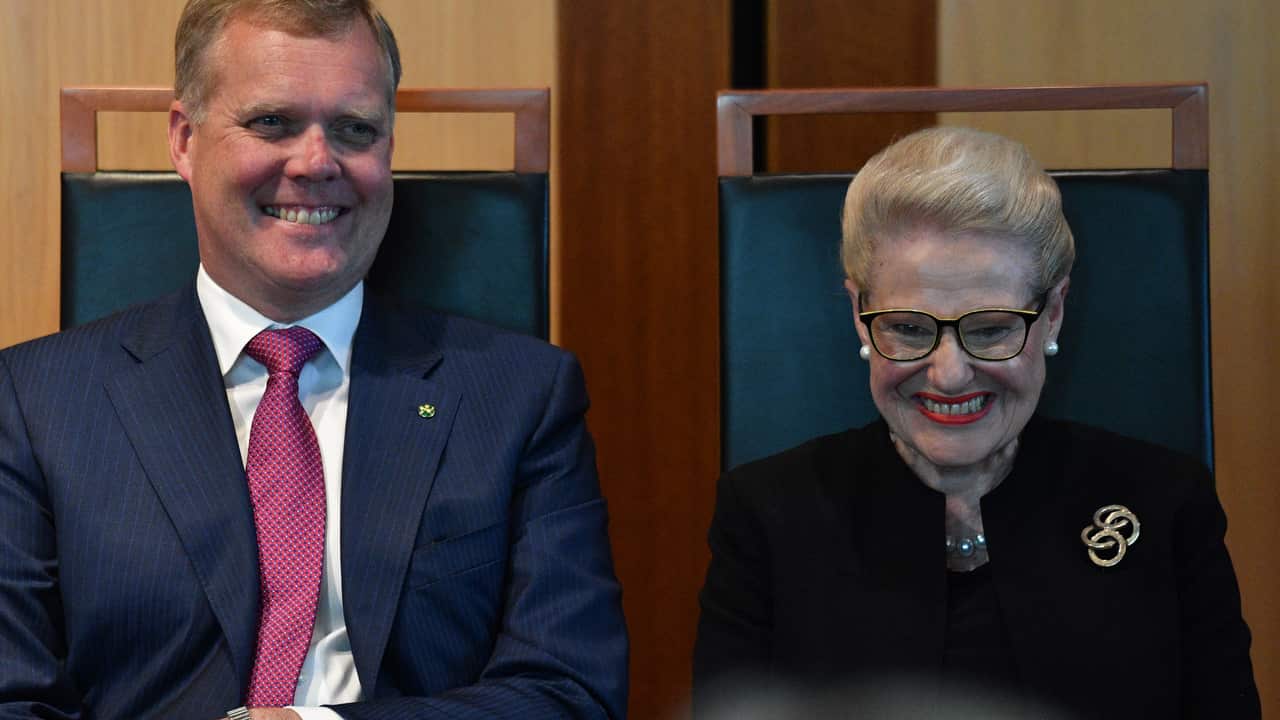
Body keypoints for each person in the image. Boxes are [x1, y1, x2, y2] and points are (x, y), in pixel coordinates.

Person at [0, 1, 627, 718]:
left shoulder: (521, 398)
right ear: (183, 139)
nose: (317, 162)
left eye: (355, 129)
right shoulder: (31, 405)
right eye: (273, 123)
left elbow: (570, 695)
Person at [692, 126, 1259, 717]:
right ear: (861, 319)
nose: (950, 374)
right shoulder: (764, 516)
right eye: (908, 328)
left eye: (990, 329)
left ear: (1054, 314)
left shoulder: (1167, 505)